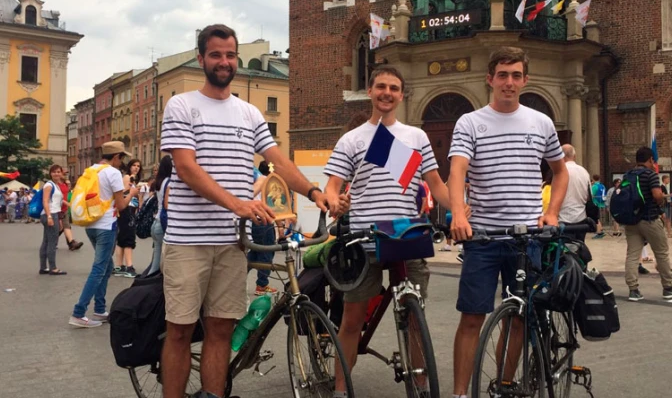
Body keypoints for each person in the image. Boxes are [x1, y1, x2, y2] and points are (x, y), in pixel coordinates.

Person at [159, 24, 339, 398]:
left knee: (222, 328)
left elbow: (276, 161)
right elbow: (186, 168)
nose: (224, 62)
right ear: (201, 58)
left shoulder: (249, 113)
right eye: (216, 55)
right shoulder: (182, 105)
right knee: (179, 329)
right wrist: (238, 203)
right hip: (188, 241)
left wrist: (312, 190)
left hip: (232, 242)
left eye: (230, 55)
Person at [324, 65, 457, 397]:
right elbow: (332, 185)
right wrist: (333, 201)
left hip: (407, 235)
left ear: (401, 94)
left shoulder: (416, 137)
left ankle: (422, 385)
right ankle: (341, 389)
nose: (386, 92)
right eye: (380, 86)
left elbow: (436, 184)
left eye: (394, 88)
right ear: (370, 91)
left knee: (415, 318)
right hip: (365, 239)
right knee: (353, 320)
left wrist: (460, 212)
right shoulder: (351, 139)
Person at [448, 47, 568, 398]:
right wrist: (457, 212)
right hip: (483, 236)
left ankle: (503, 385)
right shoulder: (470, 122)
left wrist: (553, 212)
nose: (509, 82)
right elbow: (457, 170)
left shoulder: (540, 122)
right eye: (502, 75)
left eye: (516, 75)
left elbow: (559, 173)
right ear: (490, 79)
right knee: (472, 319)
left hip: (528, 237)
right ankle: (459, 394)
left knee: (519, 317)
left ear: (525, 80)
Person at [69, 141, 138, 328]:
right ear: (116, 157)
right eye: (121, 157)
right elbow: (122, 206)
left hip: (91, 224)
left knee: (107, 267)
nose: (122, 162)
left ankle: (100, 309)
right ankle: (79, 312)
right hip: (106, 225)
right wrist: (131, 193)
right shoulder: (113, 173)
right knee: (99, 269)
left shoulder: (91, 170)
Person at [623, 146, 672, 302]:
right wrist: (663, 197)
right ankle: (668, 288)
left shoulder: (627, 175)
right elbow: (657, 195)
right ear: (650, 159)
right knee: (661, 253)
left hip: (631, 221)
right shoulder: (650, 175)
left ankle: (633, 290)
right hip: (650, 219)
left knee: (632, 255)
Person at [247, 161, 279, 295]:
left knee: (255, 252)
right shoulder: (267, 181)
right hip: (264, 220)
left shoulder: (251, 177)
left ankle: (237, 279)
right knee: (267, 251)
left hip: (252, 220)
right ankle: (262, 284)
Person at [113, 159, 142, 278]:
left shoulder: (134, 180)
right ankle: (129, 266)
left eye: (138, 166)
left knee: (122, 238)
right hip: (127, 208)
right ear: (129, 167)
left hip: (130, 208)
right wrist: (132, 191)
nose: (136, 168)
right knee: (129, 238)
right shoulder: (127, 178)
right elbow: (122, 192)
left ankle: (119, 266)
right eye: (134, 165)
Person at [558, 144, 591, 241]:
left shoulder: (560, 171)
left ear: (561, 156)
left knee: (564, 251)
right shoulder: (584, 172)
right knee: (579, 249)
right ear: (574, 156)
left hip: (563, 218)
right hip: (581, 218)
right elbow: (589, 196)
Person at [39, 165, 67, 275]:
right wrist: (49, 216)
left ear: (61, 173)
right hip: (50, 214)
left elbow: (58, 200)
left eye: (58, 172)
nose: (56, 174)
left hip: (52, 213)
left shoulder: (56, 186)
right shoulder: (49, 185)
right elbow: (45, 201)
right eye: (54, 172)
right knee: (52, 242)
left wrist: (70, 204)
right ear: (50, 173)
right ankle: (53, 268)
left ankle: (43, 267)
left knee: (46, 241)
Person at [148, 155, 172, 275]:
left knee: (156, 260)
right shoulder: (169, 182)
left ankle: (148, 280)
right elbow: (167, 204)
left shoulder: (159, 182)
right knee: (161, 262)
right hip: (162, 224)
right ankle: (148, 285)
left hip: (156, 222)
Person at [57, 177, 84, 251]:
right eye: (67, 184)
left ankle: (71, 243)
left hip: (66, 211)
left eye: (69, 184)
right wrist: (69, 204)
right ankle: (51, 242)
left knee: (66, 227)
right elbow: (60, 199)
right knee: (62, 227)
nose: (69, 185)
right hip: (58, 210)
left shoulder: (71, 193)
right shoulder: (60, 190)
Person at [591, 174, 607, 238]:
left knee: (596, 218)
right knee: (599, 218)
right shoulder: (602, 186)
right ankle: (601, 229)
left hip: (596, 203)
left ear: (593, 179)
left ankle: (599, 232)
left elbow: (591, 194)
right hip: (602, 203)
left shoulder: (594, 186)